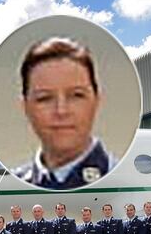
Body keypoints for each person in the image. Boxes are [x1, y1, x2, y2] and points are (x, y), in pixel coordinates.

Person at [12, 37, 117, 190]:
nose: (61, 111)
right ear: (25, 107)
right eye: (44, 98)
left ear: (97, 101)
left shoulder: (123, 178)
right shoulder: (11, 185)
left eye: (76, 95)